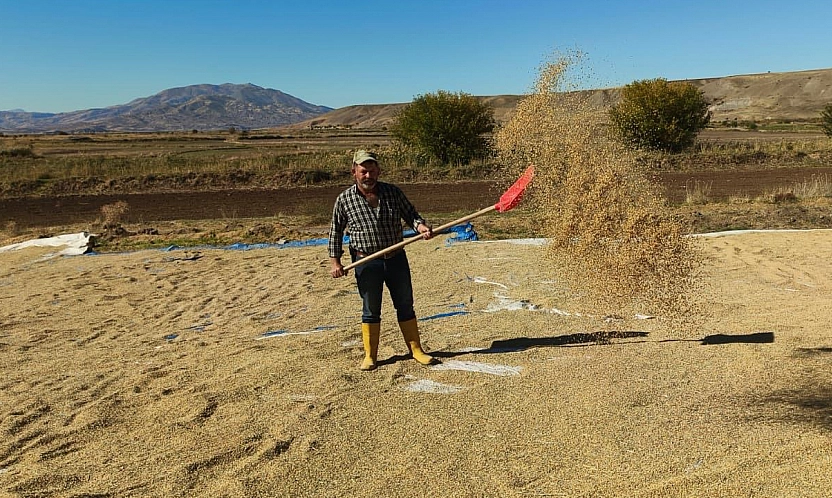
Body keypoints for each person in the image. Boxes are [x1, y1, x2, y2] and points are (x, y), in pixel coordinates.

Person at [329, 150, 438, 371]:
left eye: (371, 171)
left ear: (378, 171)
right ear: (354, 172)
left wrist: (421, 227)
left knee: (405, 304)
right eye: (363, 171)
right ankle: (371, 355)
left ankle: (416, 350)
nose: (368, 176)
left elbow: (411, 215)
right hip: (366, 262)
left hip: (396, 258)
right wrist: (335, 262)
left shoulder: (392, 192)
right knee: (371, 309)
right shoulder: (344, 200)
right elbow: (335, 232)